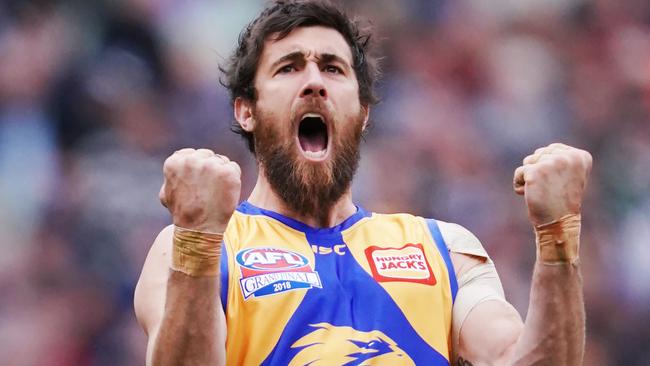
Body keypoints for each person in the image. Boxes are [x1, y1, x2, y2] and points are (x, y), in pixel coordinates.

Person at [134, 1, 592, 365]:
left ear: (364, 112)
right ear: (245, 111)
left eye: (333, 68)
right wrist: (197, 236)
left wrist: (557, 237)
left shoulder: (444, 249)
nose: (314, 82)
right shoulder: (193, 248)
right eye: (289, 67)